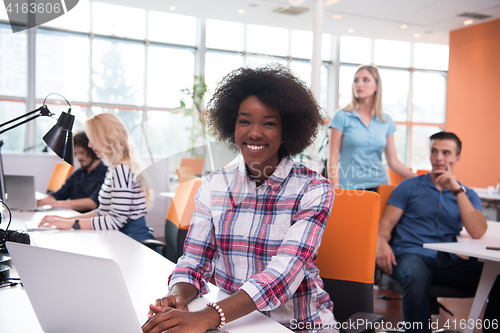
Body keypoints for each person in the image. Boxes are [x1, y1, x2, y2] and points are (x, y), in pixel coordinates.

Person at [142, 65, 337, 333]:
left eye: (269, 123)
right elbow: (194, 261)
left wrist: (207, 317)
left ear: (286, 130)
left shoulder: (313, 189)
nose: (254, 133)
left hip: (297, 326)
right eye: (244, 121)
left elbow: (282, 276)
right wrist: (178, 296)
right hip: (235, 323)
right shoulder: (214, 185)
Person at [376, 131, 499, 333]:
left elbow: (477, 232)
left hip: (447, 261)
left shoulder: (468, 194)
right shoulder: (408, 187)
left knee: (496, 278)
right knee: (416, 276)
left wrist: (456, 190)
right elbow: (386, 224)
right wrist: (381, 245)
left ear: (457, 158)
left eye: (445, 153)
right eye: (434, 151)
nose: (438, 158)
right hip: (410, 255)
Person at [38, 113, 156, 243]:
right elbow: (102, 212)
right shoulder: (114, 168)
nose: (89, 145)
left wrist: (71, 224)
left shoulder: (122, 170)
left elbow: (115, 221)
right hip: (119, 239)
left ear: (106, 138)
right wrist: (65, 220)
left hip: (131, 242)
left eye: (92, 139)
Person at [328, 65, 415, 191]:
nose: (359, 84)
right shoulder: (341, 116)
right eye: (356, 80)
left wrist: (420, 179)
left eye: (366, 80)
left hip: (380, 186)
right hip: (349, 188)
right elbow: (333, 158)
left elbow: (393, 162)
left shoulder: (386, 121)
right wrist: (335, 190)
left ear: (377, 87)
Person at [36, 132, 107, 213]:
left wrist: (58, 204)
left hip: (86, 219)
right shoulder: (78, 173)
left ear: (92, 151)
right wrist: (45, 200)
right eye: (76, 153)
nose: (78, 157)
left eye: (82, 153)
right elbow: (60, 194)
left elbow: (93, 202)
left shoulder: (105, 173)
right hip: (71, 215)